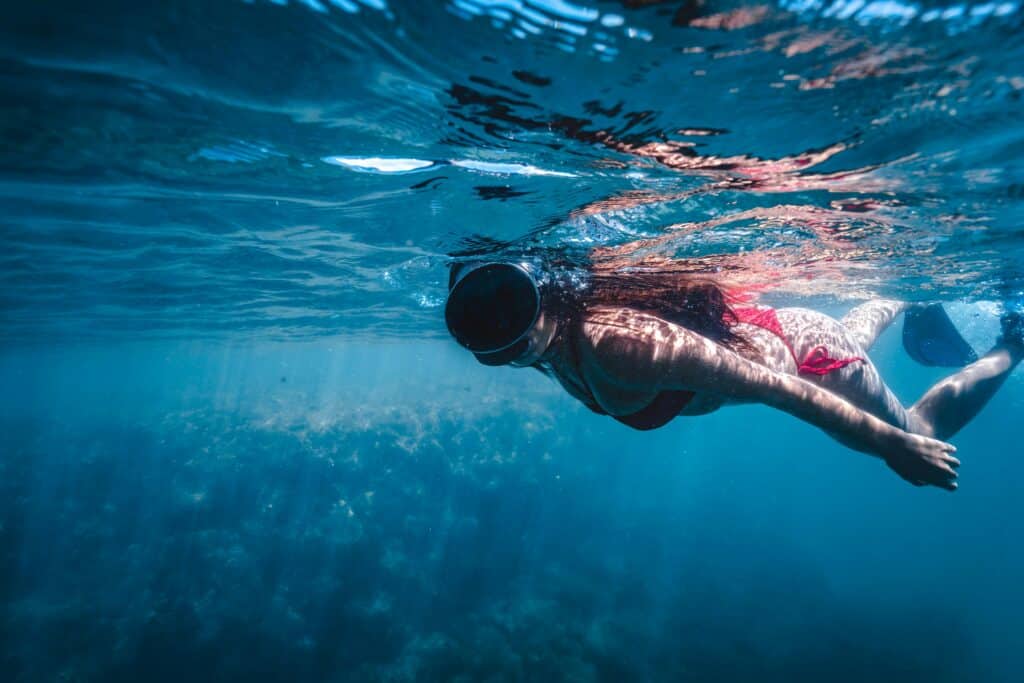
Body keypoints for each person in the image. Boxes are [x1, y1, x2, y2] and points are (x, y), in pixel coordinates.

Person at [444, 259, 1024, 491]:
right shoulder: (553, 340)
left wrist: (895, 446)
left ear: (544, 292)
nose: (501, 329)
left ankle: (1012, 345)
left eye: (509, 306)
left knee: (923, 428)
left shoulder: (612, 343)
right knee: (847, 335)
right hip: (793, 335)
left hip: (807, 362)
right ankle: (897, 289)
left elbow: (773, 387)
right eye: (477, 319)